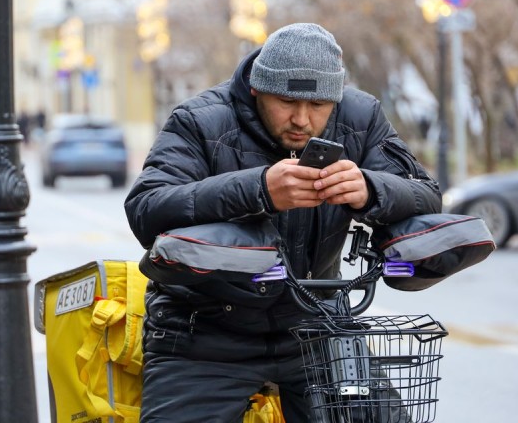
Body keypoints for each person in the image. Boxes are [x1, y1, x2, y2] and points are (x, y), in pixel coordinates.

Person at [124, 23, 441, 422]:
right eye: (287, 102)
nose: (302, 120)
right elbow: (146, 209)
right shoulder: (200, 120)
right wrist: (258, 189)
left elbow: (426, 192)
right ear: (257, 87)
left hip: (316, 324)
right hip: (203, 332)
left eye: (319, 106)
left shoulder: (361, 115)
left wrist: (372, 189)